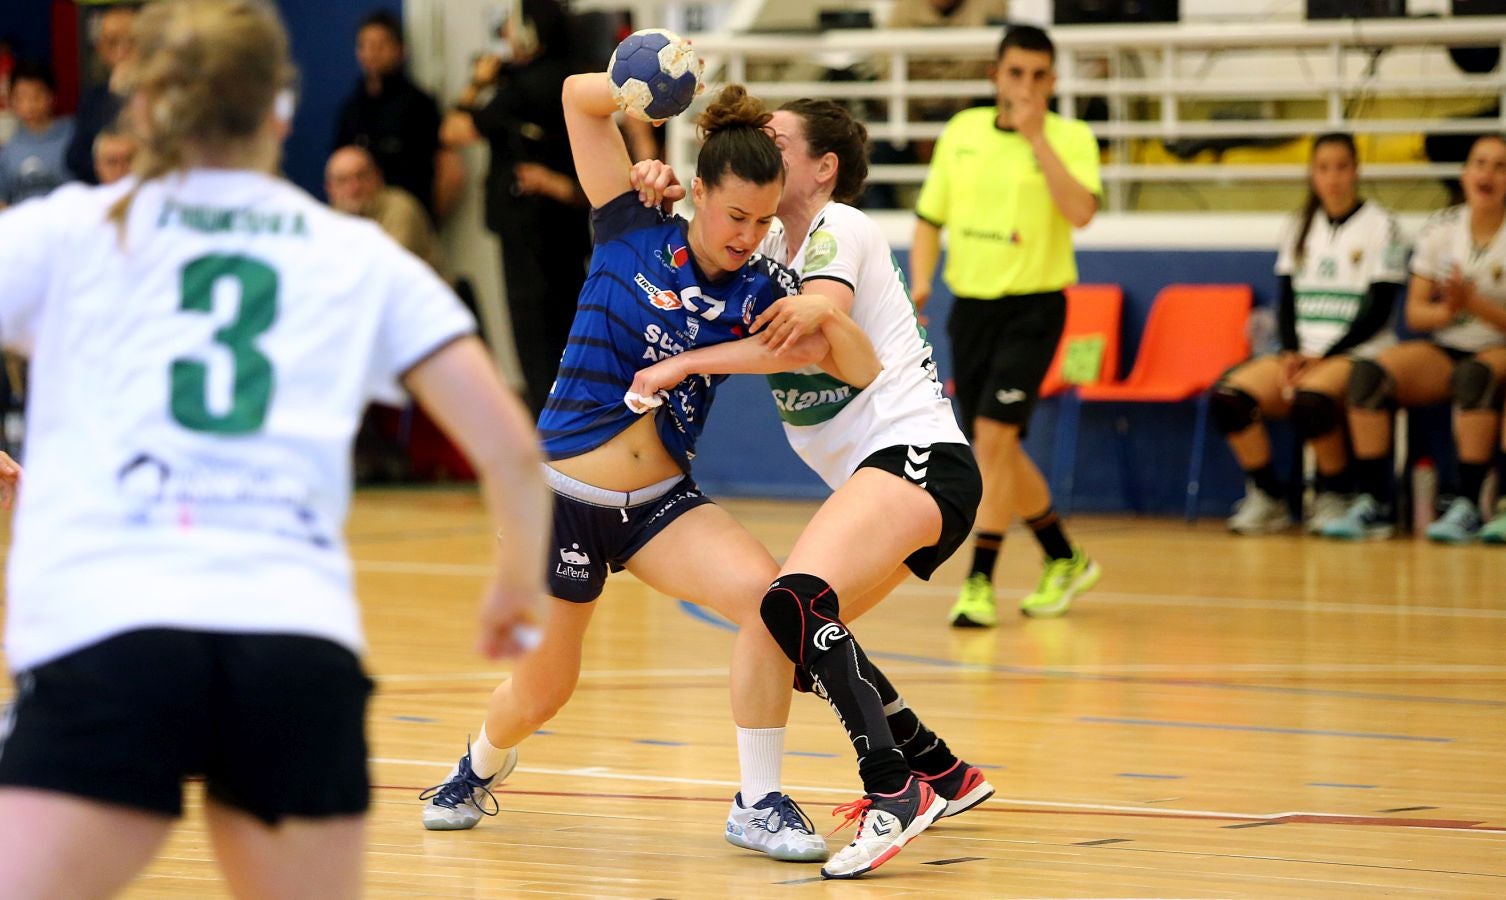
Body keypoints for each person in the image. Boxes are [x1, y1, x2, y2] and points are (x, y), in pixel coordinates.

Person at [0, 3, 549, 897]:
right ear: (282, 110)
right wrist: (514, 591)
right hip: (292, 647)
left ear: (138, 110)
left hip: (107, 632)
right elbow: (511, 450)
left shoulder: (65, 231)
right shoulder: (355, 255)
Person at [419, 71, 876, 865]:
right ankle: (477, 765)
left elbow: (854, 367)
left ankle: (758, 801)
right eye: (734, 214)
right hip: (558, 494)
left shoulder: (762, 289)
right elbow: (575, 99)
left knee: (773, 604)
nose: (746, 234)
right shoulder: (628, 222)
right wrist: (639, 82)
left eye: (762, 221)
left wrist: (823, 313)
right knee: (544, 691)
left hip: (661, 505)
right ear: (697, 191)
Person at [627, 96, 994, 879]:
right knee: (784, 628)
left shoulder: (841, 227)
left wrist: (687, 364)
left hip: (915, 454)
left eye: (779, 139)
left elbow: (809, 331)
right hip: (893, 470)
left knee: (793, 599)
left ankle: (893, 792)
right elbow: (693, 262)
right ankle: (937, 768)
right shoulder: (762, 252)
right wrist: (659, 187)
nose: (764, 143)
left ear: (822, 168)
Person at [910, 24, 1100, 627]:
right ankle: (1063, 556)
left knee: (991, 441)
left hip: (1035, 306)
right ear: (995, 74)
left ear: (1053, 81)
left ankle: (980, 582)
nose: (1026, 86)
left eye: (1039, 76)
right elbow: (928, 218)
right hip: (972, 310)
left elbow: (1082, 212)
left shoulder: (1071, 138)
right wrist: (919, 282)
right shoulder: (962, 133)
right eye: (1015, 73)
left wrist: (1039, 140)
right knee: (999, 447)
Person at [1215, 134, 1406, 535]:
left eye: (1341, 167)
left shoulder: (1382, 227)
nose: (1333, 177)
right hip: (1304, 350)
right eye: (1323, 168)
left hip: (1358, 350)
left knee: (1310, 399)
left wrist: (1325, 355)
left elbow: (1379, 309)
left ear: (1356, 171)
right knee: (1229, 398)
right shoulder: (1298, 227)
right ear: (1312, 175)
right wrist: (1290, 352)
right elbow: (1286, 300)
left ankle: (1335, 492)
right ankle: (1270, 497)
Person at [1324, 134, 1506, 542]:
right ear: (1464, 175)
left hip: (1499, 348)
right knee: (1368, 376)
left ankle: (1469, 503)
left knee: (1473, 376)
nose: (1488, 174)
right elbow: (1415, 314)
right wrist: (1448, 310)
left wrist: (1474, 304)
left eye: (1500, 166)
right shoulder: (1443, 229)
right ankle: (1375, 504)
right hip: (1448, 346)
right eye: (1480, 163)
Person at [443, 0, 590, 417]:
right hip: (570, 227)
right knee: (570, 329)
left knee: (537, 340)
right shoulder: (577, 76)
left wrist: (477, 82)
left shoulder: (523, 87)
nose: (505, 34)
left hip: (529, 233)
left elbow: (453, 129)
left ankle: (551, 438)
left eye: (512, 25)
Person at [333, 10, 442, 221]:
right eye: (365, 45)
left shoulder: (419, 104)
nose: (372, 53)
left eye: (381, 45)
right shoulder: (352, 107)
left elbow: (447, 170)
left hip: (404, 213)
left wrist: (427, 219)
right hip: (358, 217)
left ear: (400, 49)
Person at [326, 144, 445, 274]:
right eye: (342, 180)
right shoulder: (329, 219)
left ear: (378, 176)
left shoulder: (400, 208)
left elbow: (388, 270)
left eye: (361, 176)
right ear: (330, 189)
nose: (354, 187)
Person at [64, 2, 136, 185]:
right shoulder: (94, 98)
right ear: (101, 50)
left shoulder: (166, 94)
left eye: (132, 41)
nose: (122, 50)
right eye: (112, 42)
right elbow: (74, 159)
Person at [0, 62, 74, 208]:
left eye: (36, 96)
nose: (29, 105)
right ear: (11, 101)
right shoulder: (10, 148)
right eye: (21, 97)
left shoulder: (73, 134)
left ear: (51, 97)